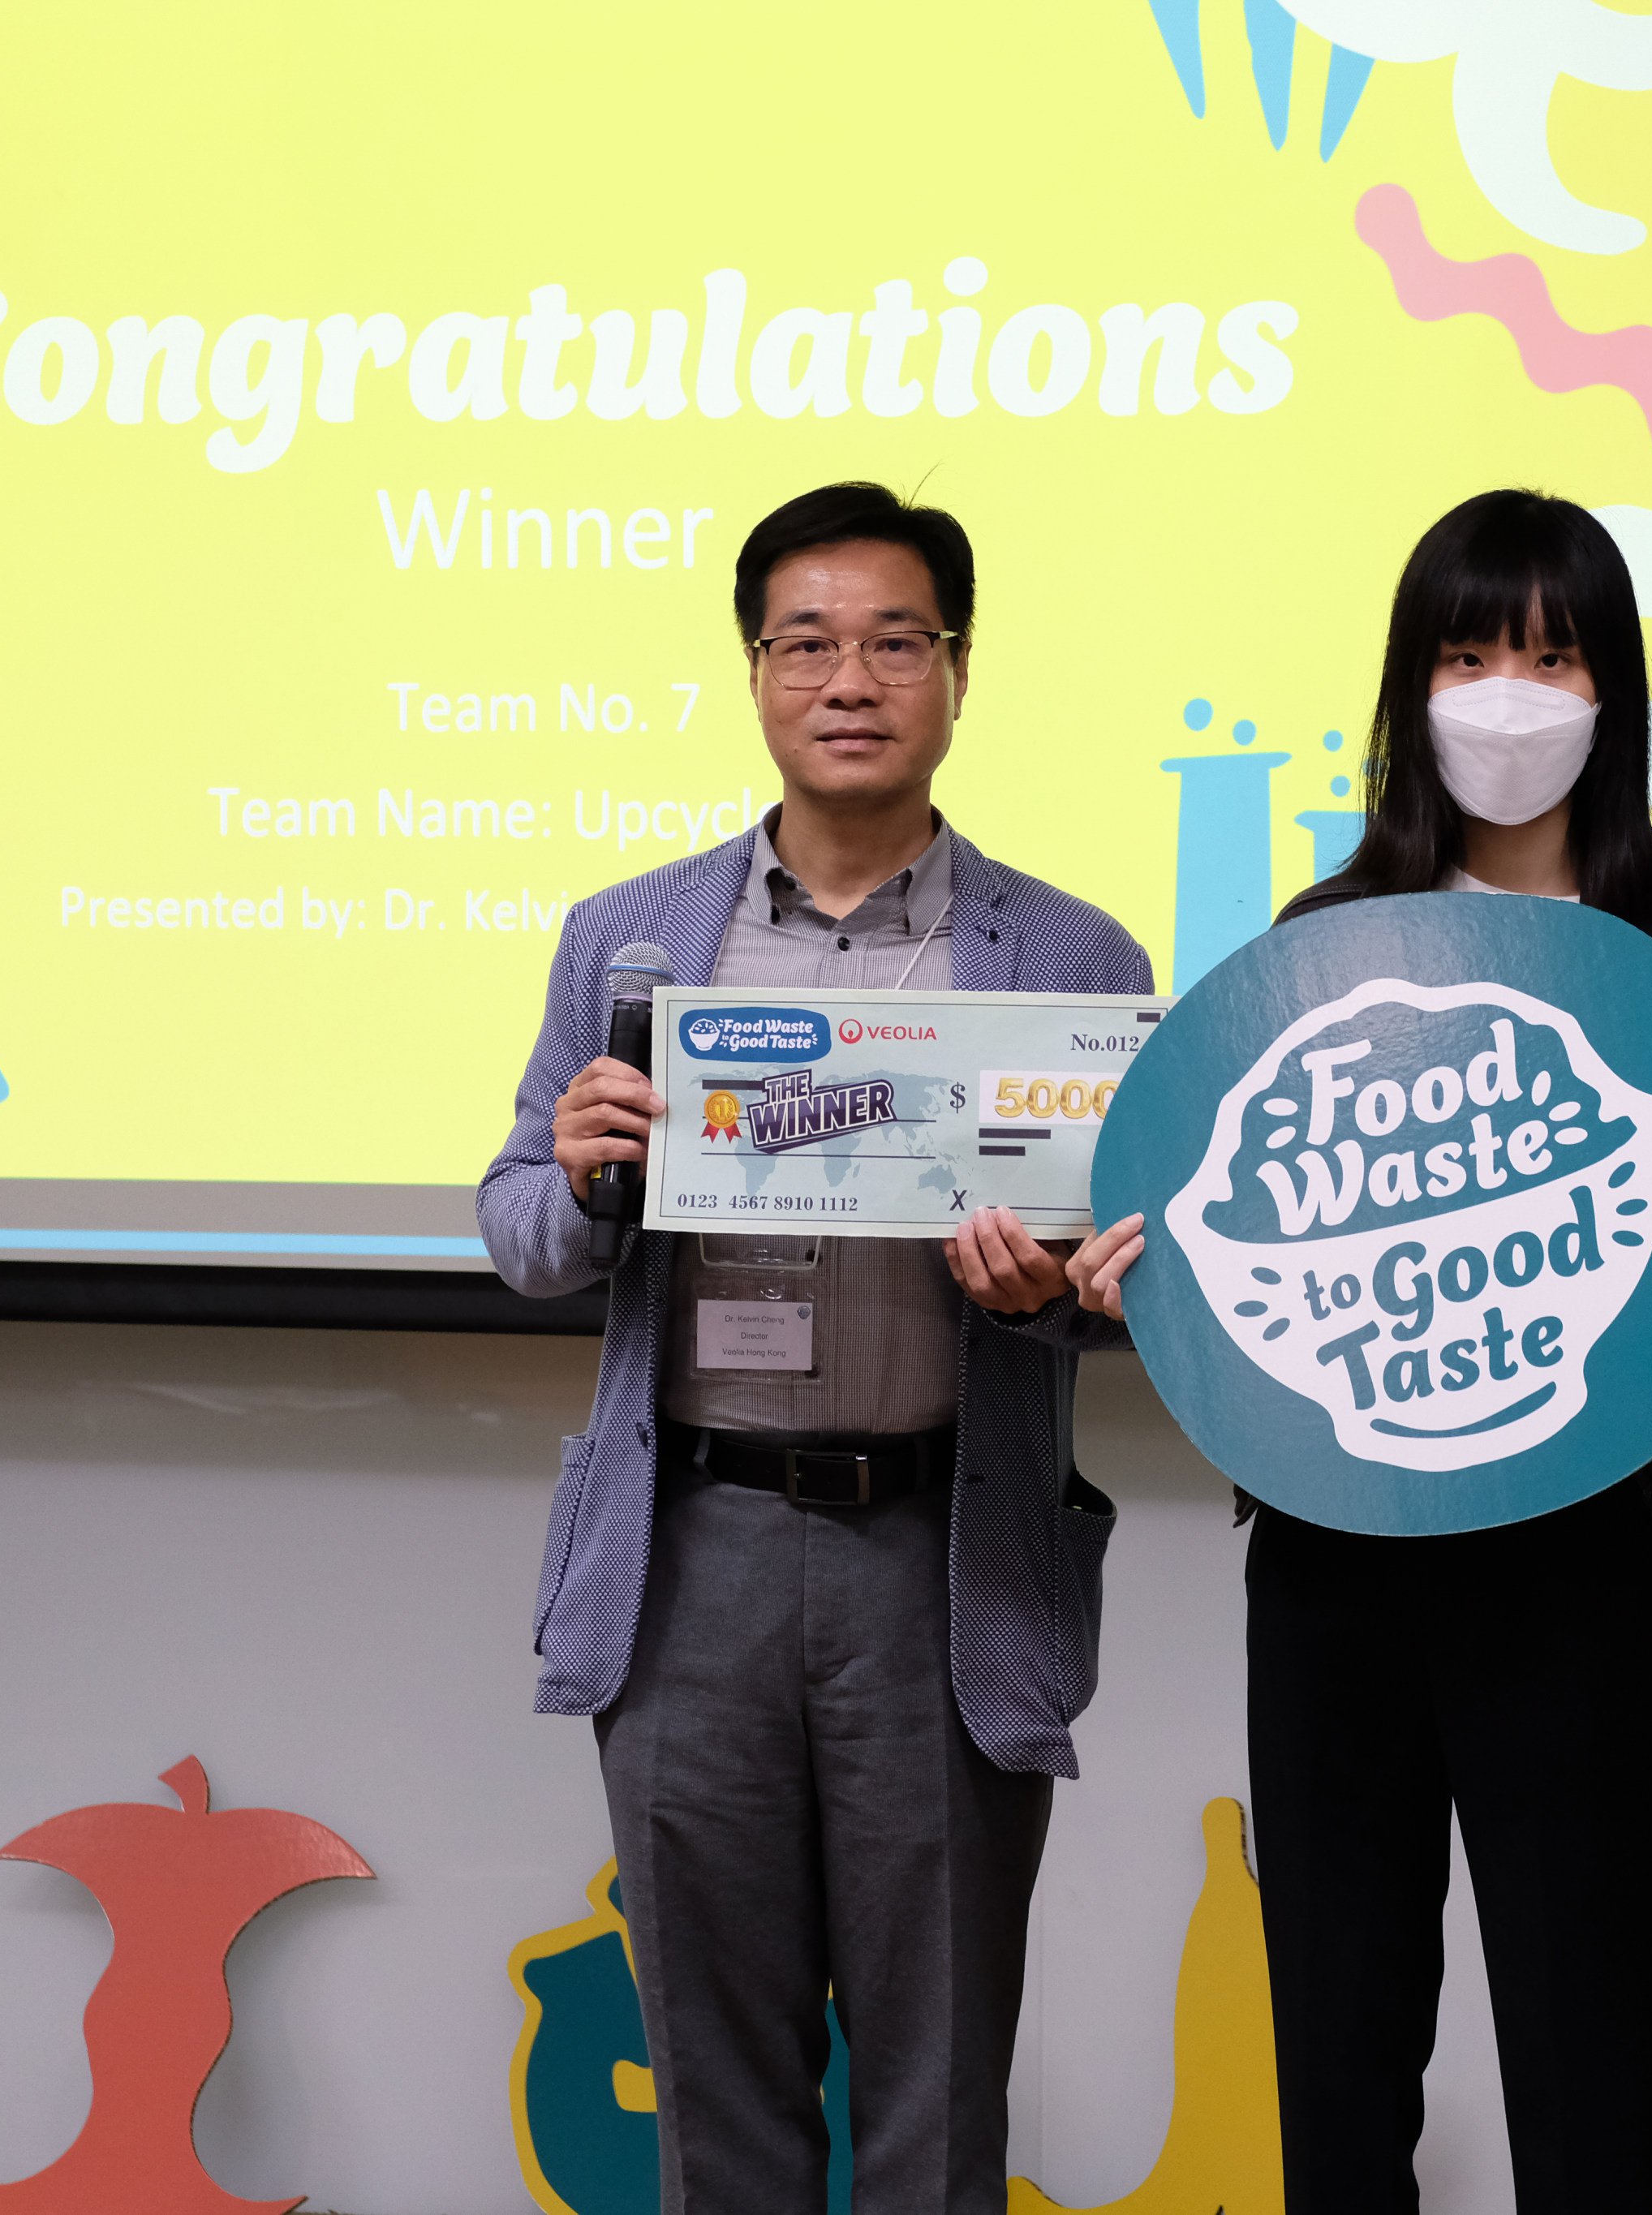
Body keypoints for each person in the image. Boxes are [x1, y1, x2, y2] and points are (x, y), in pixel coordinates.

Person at [1068, 489, 1652, 2214]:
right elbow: (1224, 1251)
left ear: (1613, 690)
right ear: (1407, 688)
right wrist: (1143, 1281)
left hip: (1576, 1580)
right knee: (1334, 2069)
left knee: (1583, 2060)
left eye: (1549, 655)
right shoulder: (1316, 949)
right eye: (1468, 653)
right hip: (1336, 1580)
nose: (1505, 694)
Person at [479, 481, 1147, 2215]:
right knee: (718, 2073)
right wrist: (585, 1173)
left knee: (936, 2082)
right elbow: (521, 1239)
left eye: (893, 643)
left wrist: (1060, 1294)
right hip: (691, 1553)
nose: (849, 678)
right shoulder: (630, 942)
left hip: (938, 1557)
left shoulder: (1071, 956)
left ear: (956, 672)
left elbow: (1140, 1289)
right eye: (807, 643)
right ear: (756, 672)